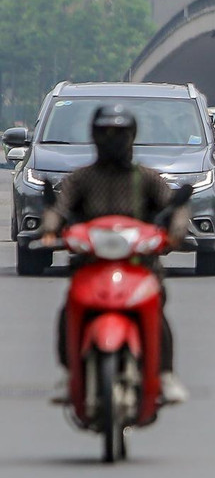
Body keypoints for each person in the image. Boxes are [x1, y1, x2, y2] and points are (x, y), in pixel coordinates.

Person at [37, 105, 190, 406]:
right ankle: (69, 375)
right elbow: (57, 208)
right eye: (106, 132)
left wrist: (176, 231)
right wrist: (50, 230)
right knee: (68, 312)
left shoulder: (146, 178)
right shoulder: (80, 179)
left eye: (120, 133)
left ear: (132, 136)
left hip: (140, 265)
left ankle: (166, 375)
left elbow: (175, 206)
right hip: (90, 265)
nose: (113, 140)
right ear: (94, 135)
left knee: (156, 312)